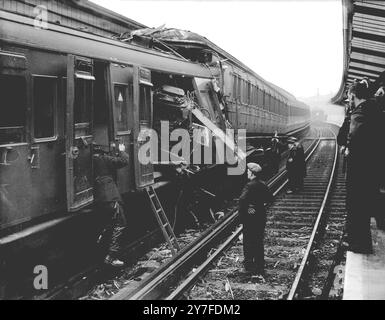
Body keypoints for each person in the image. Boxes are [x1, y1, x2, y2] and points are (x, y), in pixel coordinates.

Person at [345, 79, 382, 253]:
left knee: (358, 207)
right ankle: (360, 242)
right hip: (372, 169)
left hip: (361, 171)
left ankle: (360, 244)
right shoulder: (375, 109)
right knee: (364, 208)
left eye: (349, 96)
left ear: (353, 95)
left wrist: (349, 150)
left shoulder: (361, 113)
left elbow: (355, 138)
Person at [93, 143, 130, 267]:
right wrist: (122, 150)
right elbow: (124, 161)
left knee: (108, 224)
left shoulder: (90, 161)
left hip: (99, 199)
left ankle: (100, 246)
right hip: (111, 197)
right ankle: (111, 257)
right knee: (120, 224)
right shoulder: (104, 159)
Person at [238, 162, 274, 276]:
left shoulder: (249, 186)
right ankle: (259, 265)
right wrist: (259, 206)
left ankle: (249, 266)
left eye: (248, 171)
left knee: (248, 241)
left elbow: (242, 200)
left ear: (252, 173)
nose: (247, 173)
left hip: (250, 218)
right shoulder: (263, 184)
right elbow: (270, 199)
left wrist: (248, 208)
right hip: (260, 216)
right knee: (258, 241)